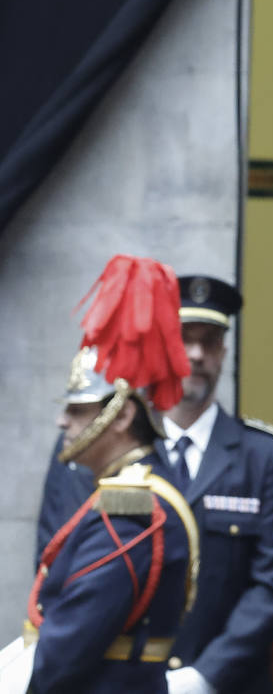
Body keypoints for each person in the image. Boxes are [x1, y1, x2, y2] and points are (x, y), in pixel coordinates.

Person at [25, 255, 198, 693]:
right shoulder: (130, 493)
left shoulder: (131, 507)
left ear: (121, 417)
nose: (64, 422)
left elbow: (68, 646)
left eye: (77, 410)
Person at [161, 275, 273, 694]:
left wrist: (205, 675)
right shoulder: (126, 446)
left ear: (224, 352)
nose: (197, 353)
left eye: (210, 341)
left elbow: (272, 583)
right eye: (185, 339)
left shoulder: (262, 455)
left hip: (230, 681)